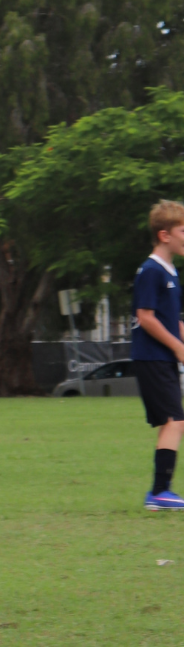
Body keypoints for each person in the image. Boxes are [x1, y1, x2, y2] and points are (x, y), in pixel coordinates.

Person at [133, 200, 184, 510]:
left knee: (175, 420)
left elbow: (171, 320)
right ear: (165, 235)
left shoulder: (170, 271)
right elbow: (146, 316)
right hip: (151, 356)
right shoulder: (151, 270)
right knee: (174, 420)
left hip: (162, 357)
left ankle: (161, 491)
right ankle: (159, 492)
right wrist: (177, 347)